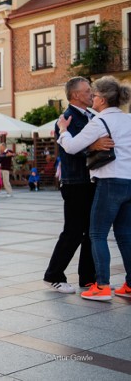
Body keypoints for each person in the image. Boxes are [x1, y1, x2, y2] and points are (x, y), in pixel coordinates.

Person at [56, 76, 131, 301]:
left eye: (95, 94)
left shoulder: (100, 122)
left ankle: (102, 286)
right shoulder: (128, 119)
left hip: (109, 182)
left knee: (97, 233)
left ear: (104, 99)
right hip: (129, 182)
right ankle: (129, 285)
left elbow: (70, 147)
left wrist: (62, 130)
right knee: (126, 236)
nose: (93, 98)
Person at [43, 76, 107, 294]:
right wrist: (93, 145)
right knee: (73, 230)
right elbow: (69, 148)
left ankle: (87, 278)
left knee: (91, 231)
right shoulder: (66, 118)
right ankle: (53, 275)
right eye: (88, 91)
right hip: (75, 182)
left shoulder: (92, 115)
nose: (92, 94)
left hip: (91, 180)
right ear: (76, 95)